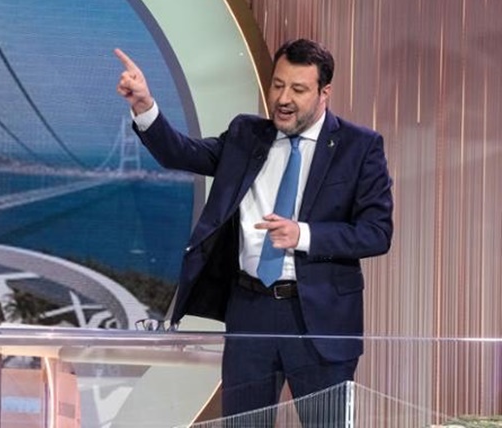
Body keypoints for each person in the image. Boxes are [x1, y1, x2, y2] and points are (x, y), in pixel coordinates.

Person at [115, 39, 393, 425]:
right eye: (278, 85)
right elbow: (182, 152)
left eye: (298, 89)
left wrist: (304, 235)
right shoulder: (247, 135)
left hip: (320, 319)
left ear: (324, 92)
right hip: (250, 311)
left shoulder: (359, 147)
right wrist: (145, 106)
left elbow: (377, 232)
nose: (283, 98)